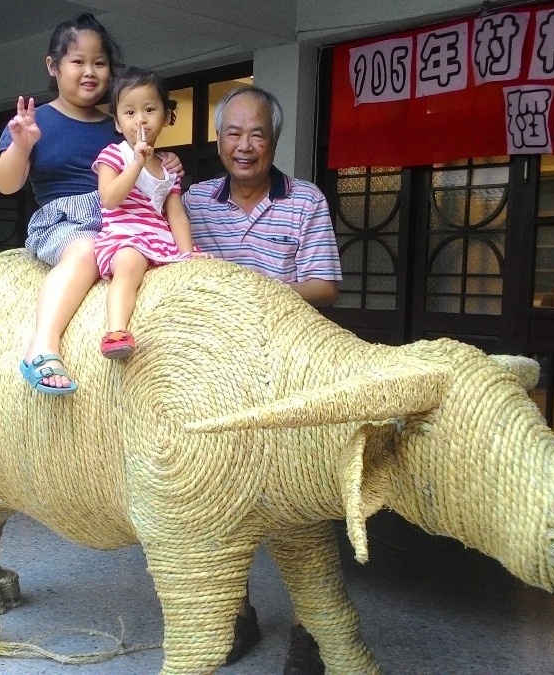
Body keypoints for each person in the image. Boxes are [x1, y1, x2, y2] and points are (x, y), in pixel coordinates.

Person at [183, 85, 341, 674]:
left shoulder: (306, 201)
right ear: (219, 139)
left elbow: (324, 285)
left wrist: (253, 296)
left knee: (303, 499)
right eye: (233, 134)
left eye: (257, 135)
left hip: (291, 372)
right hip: (219, 377)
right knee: (225, 499)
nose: (244, 146)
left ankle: (311, 629)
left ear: (274, 141)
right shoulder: (194, 200)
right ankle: (238, 613)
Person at [0, 14, 182, 395]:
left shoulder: (120, 120)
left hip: (123, 219)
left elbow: (145, 168)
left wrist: (167, 161)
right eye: (78, 61)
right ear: (53, 66)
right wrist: (23, 144)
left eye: (100, 62)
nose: (90, 72)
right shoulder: (34, 121)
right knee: (85, 251)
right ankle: (42, 346)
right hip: (64, 221)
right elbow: (6, 185)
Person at [93, 67, 209, 358]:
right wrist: (136, 163)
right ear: (117, 122)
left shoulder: (168, 166)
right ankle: (115, 330)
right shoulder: (113, 154)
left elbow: (176, 214)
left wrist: (186, 253)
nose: (140, 119)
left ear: (167, 117)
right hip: (123, 237)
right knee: (129, 266)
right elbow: (109, 198)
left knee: (199, 271)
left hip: (158, 238)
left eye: (149, 109)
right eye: (129, 112)